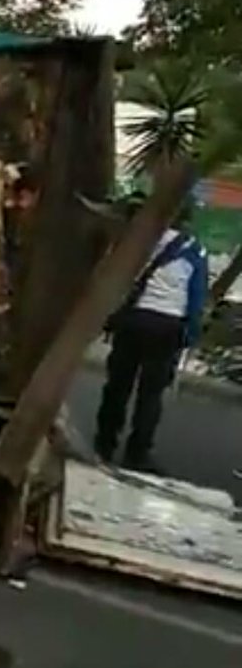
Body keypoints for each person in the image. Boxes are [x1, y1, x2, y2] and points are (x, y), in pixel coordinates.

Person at [94, 198, 209, 473]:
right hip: (167, 326)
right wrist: (190, 334)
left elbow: (116, 276)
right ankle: (137, 453)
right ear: (186, 220)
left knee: (117, 386)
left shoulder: (138, 240)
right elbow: (196, 297)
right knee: (151, 394)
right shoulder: (194, 250)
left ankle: (104, 443)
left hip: (134, 319)